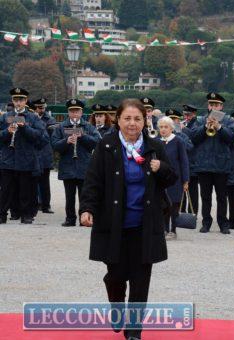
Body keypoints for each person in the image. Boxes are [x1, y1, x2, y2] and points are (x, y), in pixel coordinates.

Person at [79, 98, 177, 340]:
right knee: (116, 276)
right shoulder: (107, 145)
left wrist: (160, 168)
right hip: (114, 224)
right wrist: (87, 208)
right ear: (118, 120)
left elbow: (171, 177)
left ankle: (134, 331)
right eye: (127, 119)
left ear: (145, 121)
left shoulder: (154, 146)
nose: (132, 124)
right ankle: (116, 306)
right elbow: (94, 180)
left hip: (145, 224)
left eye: (137, 119)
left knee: (141, 279)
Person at [0, 88, 49, 224]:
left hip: (26, 159)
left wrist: (25, 127)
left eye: (21, 100)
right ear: (12, 101)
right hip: (8, 158)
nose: (18, 103)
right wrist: (7, 131)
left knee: (25, 189)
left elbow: (39, 135)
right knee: (5, 190)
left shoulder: (32, 117)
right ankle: (2, 214)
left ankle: (26, 215)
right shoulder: (5, 117)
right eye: (16, 100)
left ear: (25, 101)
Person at [189, 93, 234, 234]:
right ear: (208, 105)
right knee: (206, 196)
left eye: (216, 105)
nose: (213, 107)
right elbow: (194, 138)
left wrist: (219, 127)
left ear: (221, 106)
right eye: (211, 104)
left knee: (222, 197)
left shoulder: (228, 120)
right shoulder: (200, 120)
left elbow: (231, 138)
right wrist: (205, 127)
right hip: (204, 164)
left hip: (222, 164)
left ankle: (223, 224)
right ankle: (206, 222)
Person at [51, 99, 101, 227]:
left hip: (84, 165)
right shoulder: (61, 127)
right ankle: (70, 218)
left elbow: (96, 141)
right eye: (72, 111)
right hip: (67, 165)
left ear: (81, 112)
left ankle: (83, 218)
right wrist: (66, 141)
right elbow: (55, 145)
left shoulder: (88, 127)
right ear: (68, 112)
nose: (74, 114)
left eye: (77, 111)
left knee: (84, 195)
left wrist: (82, 135)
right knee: (69, 195)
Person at [158, 117, 189, 240]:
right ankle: (165, 229)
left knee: (174, 204)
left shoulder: (178, 141)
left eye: (166, 127)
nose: (163, 129)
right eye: (161, 127)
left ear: (171, 128)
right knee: (163, 205)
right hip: (161, 179)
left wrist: (186, 180)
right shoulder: (156, 141)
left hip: (175, 179)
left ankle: (173, 229)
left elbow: (184, 161)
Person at [33, 97, 57, 214]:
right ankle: (35, 204)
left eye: (42, 107)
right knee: (33, 181)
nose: (40, 110)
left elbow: (49, 134)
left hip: (45, 153)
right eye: (37, 107)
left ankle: (46, 205)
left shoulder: (50, 119)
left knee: (45, 182)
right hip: (34, 154)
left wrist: (38, 120)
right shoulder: (31, 118)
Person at [181, 104, 200, 214]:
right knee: (182, 189)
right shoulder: (186, 123)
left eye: (189, 115)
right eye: (185, 115)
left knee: (193, 191)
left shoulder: (196, 124)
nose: (186, 117)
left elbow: (195, 137)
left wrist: (184, 129)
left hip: (193, 162)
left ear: (194, 114)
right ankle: (181, 212)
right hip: (184, 161)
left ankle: (193, 213)